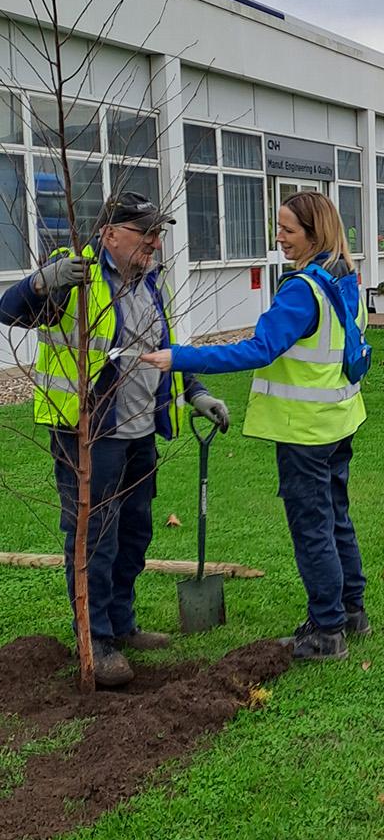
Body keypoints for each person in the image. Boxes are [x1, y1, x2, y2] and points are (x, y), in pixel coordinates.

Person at [0, 192, 229, 688]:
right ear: (109, 234)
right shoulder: (73, 277)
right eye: (145, 233)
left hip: (139, 432)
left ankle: (122, 624)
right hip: (89, 436)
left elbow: (159, 347)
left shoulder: (150, 282)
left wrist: (195, 392)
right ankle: (96, 640)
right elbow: (9, 311)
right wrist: (42, 283)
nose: (155, 242)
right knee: (93, 539)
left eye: (158, 233)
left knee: (134, 533)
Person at [143, 193, 369, 662]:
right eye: (278, 227)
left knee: (314, 528)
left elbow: (257, 350)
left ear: (314, 231)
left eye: (287, 230)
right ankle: (351, 612)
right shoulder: (344, 276)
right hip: (339, 422)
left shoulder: (302, 289)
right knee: (337, 519)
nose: (279, 238)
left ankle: (327, 632)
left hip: (305, 432)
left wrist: (181, 358)